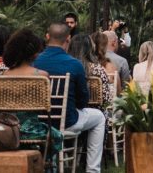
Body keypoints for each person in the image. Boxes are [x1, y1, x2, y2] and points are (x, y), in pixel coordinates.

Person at [35, 22, 105, 173]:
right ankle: (93, 170)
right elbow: (82, 101)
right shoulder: (74, 64)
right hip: (66, 121)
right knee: (99, 117)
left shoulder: (34, 62)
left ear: (47, 37)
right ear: (68, 39)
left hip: (38, 121)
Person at [2, 29, 64, 159]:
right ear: (35, 54)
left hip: (7, 130)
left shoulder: (1, 77)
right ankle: (43, 165)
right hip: (32, 131)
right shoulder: (41, 76)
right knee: (56, 136)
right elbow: (45, 107)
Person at [73, 34, 114, 116]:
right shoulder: (97, 69)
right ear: (90, 49)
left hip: (70, 110)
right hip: (94, 111)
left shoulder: (67, 67)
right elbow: (106, 98)